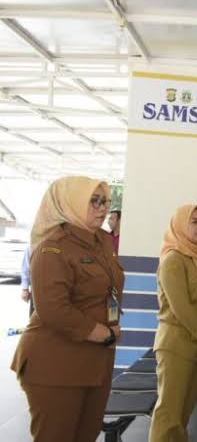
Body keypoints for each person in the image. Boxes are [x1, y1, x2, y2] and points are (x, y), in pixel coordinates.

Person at [10, 176, 124, 442]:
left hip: (95, 361)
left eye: (105, 201)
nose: (102, 208)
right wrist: (102, 332)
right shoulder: (53, 248)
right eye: (94, 201)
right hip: (56, 363)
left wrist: (108, 331)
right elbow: (53, 308)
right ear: (70, 203)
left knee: (86, 435)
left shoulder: (102, 241)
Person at [149, 204, 197, 442]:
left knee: (183, 414)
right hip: (177, 345)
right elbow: (180, 306)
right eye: (194, 221)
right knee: (168, 415)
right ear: (179, 225)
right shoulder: (173, 259)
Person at [20, 244, 34, 317]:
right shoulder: (32, 246)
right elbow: (25, 268)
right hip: (36, 289)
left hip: (59, 290)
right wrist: (25, 289)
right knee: (35, 317)